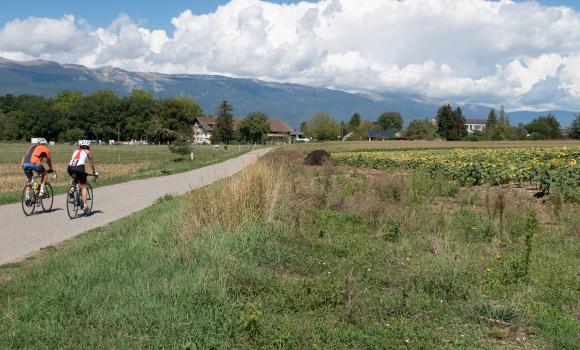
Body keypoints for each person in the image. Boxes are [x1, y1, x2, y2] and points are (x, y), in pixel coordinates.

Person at [67, 140, 98, 211]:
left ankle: (72, 188)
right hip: (79, 168)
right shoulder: (88, 152)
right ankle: (85, 205)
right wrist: (94, 172)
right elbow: (91, 164)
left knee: (75, 177)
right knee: (84, 186)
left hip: (70, 168)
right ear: (88, 146)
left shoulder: (75, 151)